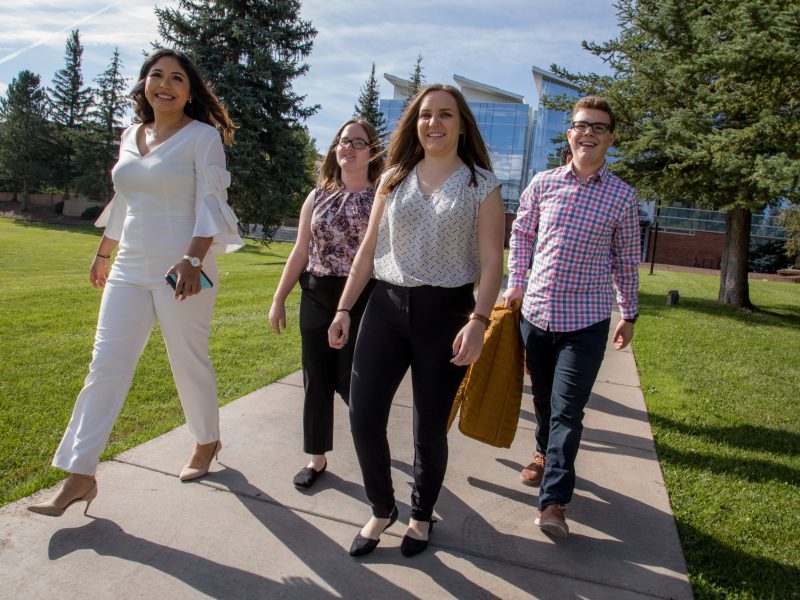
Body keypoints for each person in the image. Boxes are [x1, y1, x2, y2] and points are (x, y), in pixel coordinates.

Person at [28, 48, 242, 517]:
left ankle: (207, 441)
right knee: (105, 366)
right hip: (129, 265)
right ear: (145, 83)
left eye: (177, 79)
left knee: (187, 361)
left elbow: (211, 203)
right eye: (156, 75)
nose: (165, 84)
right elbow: (125, 201)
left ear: (190, 91)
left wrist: (192, 257)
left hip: (183, 268)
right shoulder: (130, 134)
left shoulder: (203, 138)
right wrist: (104, 252)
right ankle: (79, 475)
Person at [328, 84, 505, 557]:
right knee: (363, 416)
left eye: (446, 115)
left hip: (445, 314)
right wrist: (345, 307)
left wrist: (479, 320)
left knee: (428, 429)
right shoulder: (392, 178)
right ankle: (382, 507)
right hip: (384, 308)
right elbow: (367, 251)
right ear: (415, 123)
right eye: (426, 115)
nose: (434, 123)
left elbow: (492, 262)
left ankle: (422, 514)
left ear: (461, 124)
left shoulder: (482, 184)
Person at [503, 95, 640, 539]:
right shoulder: (542, 184)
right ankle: (543, 453)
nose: (589, 133)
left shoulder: (622, 196)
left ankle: (555, 503)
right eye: (582, 125)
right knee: (543, 400)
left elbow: (626, 260)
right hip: (537, 315)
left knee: (568, 410)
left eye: (599, 127)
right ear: (569, 133)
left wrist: (630, 312)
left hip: (586, 322)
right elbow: (521, 234)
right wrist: (516, 283)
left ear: (611, 138)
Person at [268, 118, 383, 490]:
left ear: (372, 152)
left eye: (358, 142)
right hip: (317, 293)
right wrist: (279, 297)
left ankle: (372, 443)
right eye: (343, 141)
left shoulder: (381, 196)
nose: (348, 147)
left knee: (353, 381)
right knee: (316, 377)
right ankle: (316, 457)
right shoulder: (317, 195)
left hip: (362, 298)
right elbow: (301, 250)